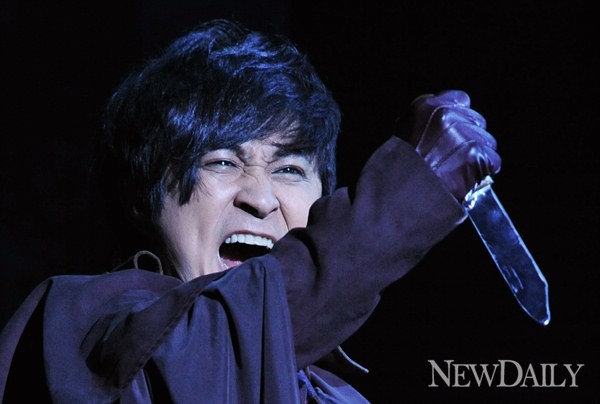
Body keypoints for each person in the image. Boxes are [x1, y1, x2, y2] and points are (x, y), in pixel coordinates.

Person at [0, 19, 500, 403]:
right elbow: (202, 354)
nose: (260, 198)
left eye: (290, 170)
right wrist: (411, 188)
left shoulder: (337, 394)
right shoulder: (83, 330)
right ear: (142, 196)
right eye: (222, 162)